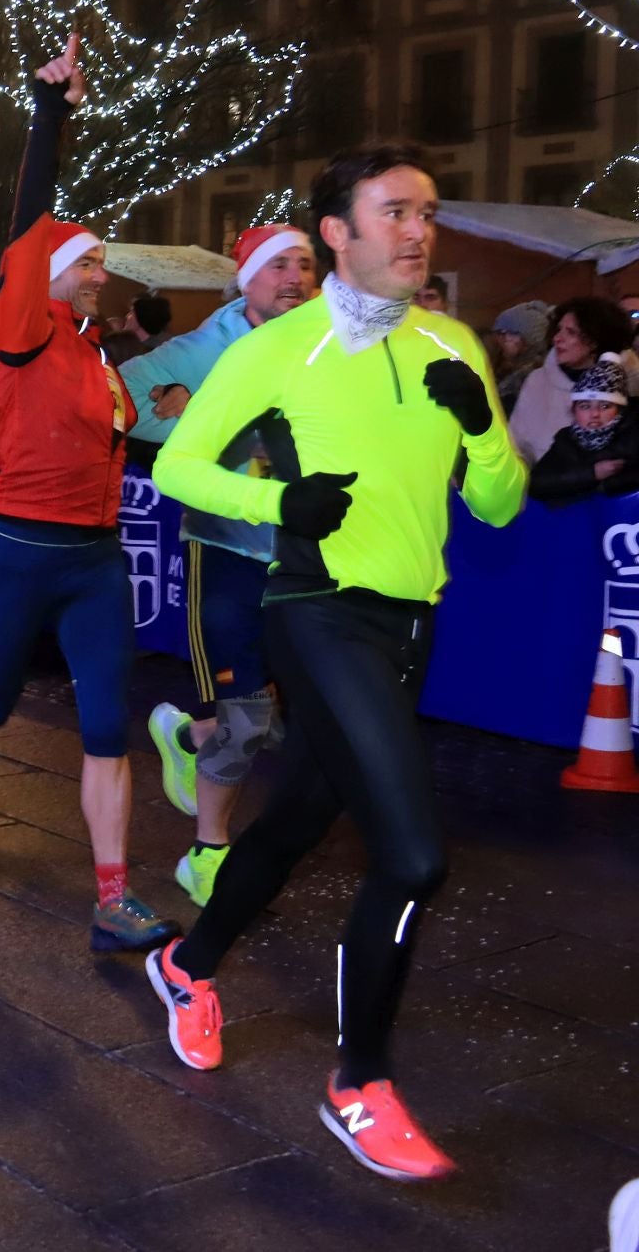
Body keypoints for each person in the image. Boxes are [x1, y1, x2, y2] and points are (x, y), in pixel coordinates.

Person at [143, 142, 526, 1182]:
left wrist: (482, 427)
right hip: (315, 610)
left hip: (412, 622)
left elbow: (496, 506)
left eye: (429, 213)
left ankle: (186, 962)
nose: (418, 231)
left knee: (301, 821)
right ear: (338, 234)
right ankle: (360, 1084)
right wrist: (279, 504)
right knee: (411, 854)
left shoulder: (453, 345)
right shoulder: (280, 349)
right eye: (395, 212)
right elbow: (178, 466)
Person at [0, 36, 178, 953]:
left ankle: (113, 894)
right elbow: (28, 228)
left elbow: (117, 427)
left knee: (108, 722)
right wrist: (50, 112)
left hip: (95, 558)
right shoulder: (20, 329)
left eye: (102, 260)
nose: (104, 271)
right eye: (90, 261)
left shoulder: (97, 353)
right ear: (53, 275)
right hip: (21, 548)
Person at [124, 223, 319, 906]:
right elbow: (120, 396)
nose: (295, 277)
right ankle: (208, 853)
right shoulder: (208, 347)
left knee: (271, 719)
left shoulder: (329, 342)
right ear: (247, 279)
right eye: (279, 266)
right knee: (242, 716)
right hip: (228, 548)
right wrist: (191, 420)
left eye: (305, 264)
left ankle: (186, 733)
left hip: (304, 556)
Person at [509, 297, 636, 463]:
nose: (557, 339)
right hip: (544, 484)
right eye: (559, 330)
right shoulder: (537, 381)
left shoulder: (631, 381)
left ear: (594, 341)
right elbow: (516, 446)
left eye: (570, 332)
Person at [528, 353, 639, 505]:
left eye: (605, 406)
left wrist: (608, 485)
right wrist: (592, 474)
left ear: (619, 409)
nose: (594, 414)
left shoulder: (632, 434)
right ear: (574, 410)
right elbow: (537, 484)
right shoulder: (566, 440)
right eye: (585, 406)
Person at [487, 300, 550, 413]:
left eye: (512, 333)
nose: (506, 339)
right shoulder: (505, 370)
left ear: (531, 338)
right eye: (502, 333)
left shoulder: (533, 378)